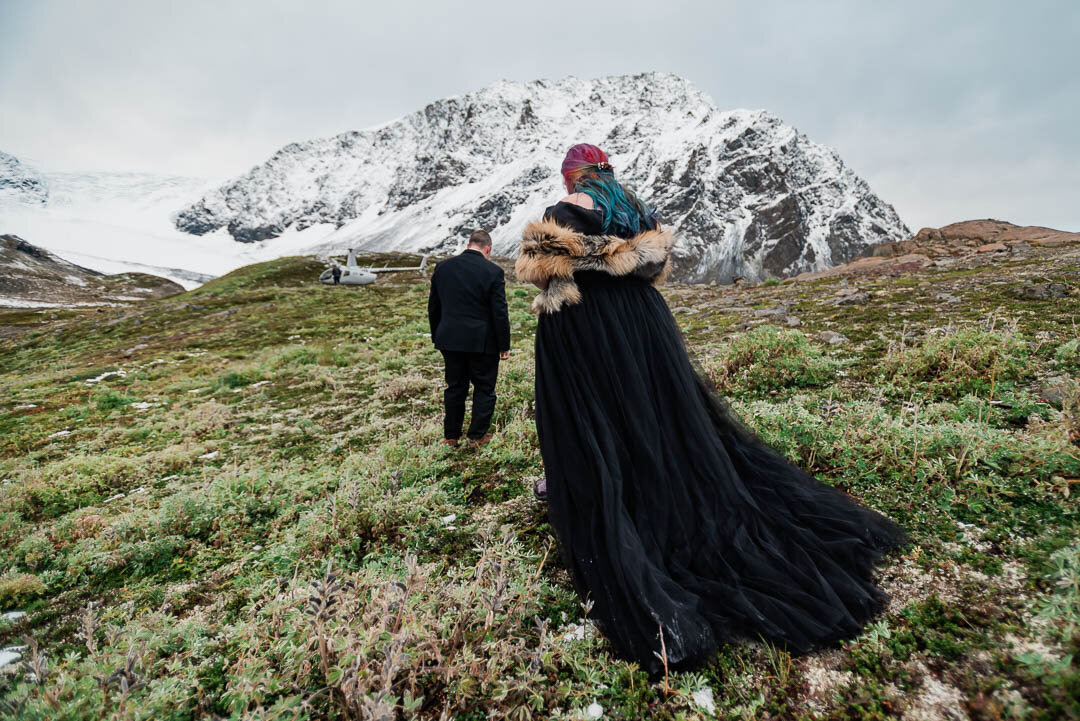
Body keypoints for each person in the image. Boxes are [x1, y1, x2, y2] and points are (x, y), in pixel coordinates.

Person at [515, 143, 909, 675]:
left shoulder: (562, 214)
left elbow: (539, 273)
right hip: (643, 322)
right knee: (655, 411)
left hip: (588, 327)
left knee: (594, 412)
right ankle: (652, 483)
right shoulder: (633, 208)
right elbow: (649, 267)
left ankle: (598, 486)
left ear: (570, 177)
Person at [428, 229, 511, 448]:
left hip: (450, 339)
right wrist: (504, 345)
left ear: (468, 245)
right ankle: (476, 436)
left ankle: (451, 436)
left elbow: (434, 306)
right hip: (482, 342)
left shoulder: (442, 268)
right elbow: (499, 312)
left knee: (455, 387)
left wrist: (438, 335)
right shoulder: (493, 272)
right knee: (484, 387)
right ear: (488, 249)